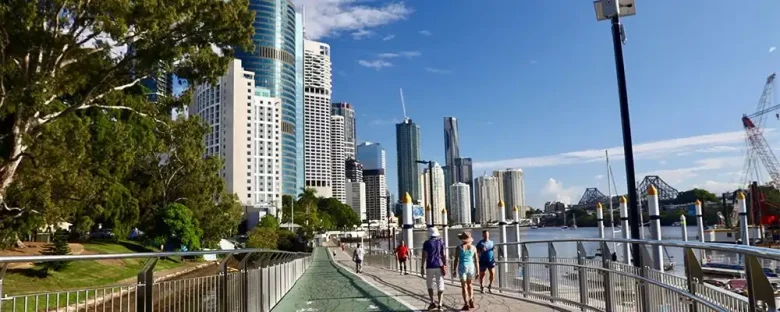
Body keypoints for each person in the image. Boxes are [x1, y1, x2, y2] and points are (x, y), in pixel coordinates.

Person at [421, 227, 446, 310]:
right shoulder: (441, 242)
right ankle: (440, 303)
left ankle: (432, 302)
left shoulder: (426, 243)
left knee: (429, 284)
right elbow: (444, 254)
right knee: (440, 284)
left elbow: (424, 255)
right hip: (439, 265)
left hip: (430, 265)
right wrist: (445, 264)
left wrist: (422, 267)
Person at [453, 232, 478, 310]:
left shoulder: (459, 248)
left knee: (464, 286)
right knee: (470, 284)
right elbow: (476, 260)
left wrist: (454, 270)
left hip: (462, 267)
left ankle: (466, 303)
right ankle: (471, 299)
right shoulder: (473, 248)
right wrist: (477, 271)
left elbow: (456, 260)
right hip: (471, 267)